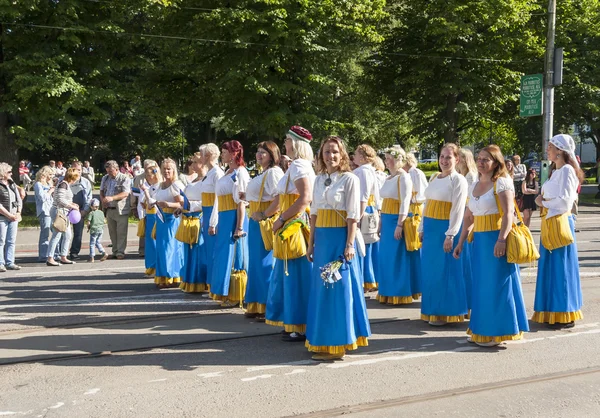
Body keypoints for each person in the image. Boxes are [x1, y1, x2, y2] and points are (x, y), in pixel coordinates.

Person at [453, 145, 529, 347]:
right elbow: (469, 216)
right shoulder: (475, 183)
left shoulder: (502, 183)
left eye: (486, 159)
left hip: (496, 239)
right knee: (481, 286)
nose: (480, 162)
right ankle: (482, 330)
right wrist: (460, 242)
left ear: (496, 163)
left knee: (496, 285)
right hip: (479, 241)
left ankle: (497, 331)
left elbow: (508, 215)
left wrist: (501, 240)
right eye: (479, 158)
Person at [305, 136, 371, 361]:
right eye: (326, 152)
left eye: (334, 152)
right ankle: (322, 339)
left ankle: (338, 342)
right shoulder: (318, 179)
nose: (330, 156)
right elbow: (313, 213)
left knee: (336, 287)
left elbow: (353, 216)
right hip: (322, 240)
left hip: (338, 240)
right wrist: (311, 242)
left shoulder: (349, 179)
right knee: (322, 289)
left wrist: (349, 244)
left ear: (342, 154)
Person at [266, 126, 315, 342]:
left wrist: (282, 219)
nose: (284, 143)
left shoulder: (299, 166)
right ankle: (293, 321)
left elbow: (305, 198)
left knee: (295, 274)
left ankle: (299, 323)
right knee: (289, 273)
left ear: (295, 143)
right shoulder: (296, 166)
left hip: (293, 225)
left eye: (287, 140)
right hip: (291, 222)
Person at [533, 134, 585, 329]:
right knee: (552, 268)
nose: (547, 150)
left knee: (560, 268)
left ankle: (563, 313)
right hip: (550, 221)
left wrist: (542, 202)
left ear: (560, 150)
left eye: (550, 147)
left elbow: (565, 202)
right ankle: (551, 311)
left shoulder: (566, 171)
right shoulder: (557, 171)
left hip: (559, 222)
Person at [419, 143, 468, 326]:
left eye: (449, 157)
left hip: (444, 229)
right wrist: (422, 227)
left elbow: (457, 209)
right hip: (431, 228)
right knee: (430, 271)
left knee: (444, 270)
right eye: (442, 156)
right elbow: (427, 204)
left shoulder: (458, 180)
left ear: (456, 159)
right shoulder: (433, 177)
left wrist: (451, 234)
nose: (444, 161)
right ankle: (432, 310)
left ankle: (446, 312)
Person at [376, 145, 421, 305]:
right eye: (386, 159)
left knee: (397, 258)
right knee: (387, 258)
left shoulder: (404, 177)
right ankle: (387, 291)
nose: (387, 162)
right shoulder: (389, 177)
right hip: (387, 220)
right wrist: (381, 221)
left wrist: (400, 225)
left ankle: (399, 293)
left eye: (390, 159)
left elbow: (405, 201)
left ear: (399, 160)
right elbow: (383, 201)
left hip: (396, 220)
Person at [245, 141, 284, 319]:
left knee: (264, 264)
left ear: (272, 155)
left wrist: (265, 214)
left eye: (264, 152)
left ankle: (268, 305)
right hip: (256, 220)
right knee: (255, 264)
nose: (259, 155)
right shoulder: (264, 172)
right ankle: (256, 304)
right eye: (258, 152)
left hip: (264, 222)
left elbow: (279, 199)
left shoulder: (274, 172)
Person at [210, 140, 250, 306]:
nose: (222, 154)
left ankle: (236, 295)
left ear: (234, 154)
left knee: (235, 257)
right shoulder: (228, 172)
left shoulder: (240, 172)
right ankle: (225, 292)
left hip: (234, 217)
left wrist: (239, 226)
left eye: (225, 151)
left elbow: (241, 201)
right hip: (224, 216)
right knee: (223, 256)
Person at [149, 158, 185, 287]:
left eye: (169, 169)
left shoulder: (176, 185)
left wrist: (167, 204)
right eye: (164, 169)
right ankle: (163, 276)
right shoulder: (160, 185)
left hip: (172, 219)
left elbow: (182, 203)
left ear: (174, 170)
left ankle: (173, 275)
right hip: (160, 218)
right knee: (161, 248)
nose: (166, 171)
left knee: (170, 248)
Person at [178, 153, 209, 293]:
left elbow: (206, 202)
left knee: (198, 251)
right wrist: (181, 208)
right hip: (187, 218)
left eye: (196, 162)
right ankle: (190, 280)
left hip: (198, 218)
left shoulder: (206, 180)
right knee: (189, 252)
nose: (193, 165)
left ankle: (200, 281)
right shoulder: (194, 179)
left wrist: (189, 205)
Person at [353, 144, 380, 292]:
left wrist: (358, 216)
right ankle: (371, 278)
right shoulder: (371, 171)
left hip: (364, 209)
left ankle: (365, 279)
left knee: (363, 244)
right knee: (369, 245)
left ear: (363, 157)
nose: (354, 156)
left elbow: (363, 196)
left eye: (356, 154)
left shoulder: (362, 171)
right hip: (371, 208)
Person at [200, 144, 225, 291]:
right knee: (209, 251)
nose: (200, 157)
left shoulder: (217, 173)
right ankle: (210, 284)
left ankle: (214, 285)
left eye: (202, 154)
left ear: (208, 155)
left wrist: (213, 222)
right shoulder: (209, 173)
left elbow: (217, 199)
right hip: (206, 212)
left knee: (213, 251)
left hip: (212, 214)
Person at [46, 168, 80, 267]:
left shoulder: (64, 184)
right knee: (57, 235)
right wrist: (72, 206)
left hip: (64, 212)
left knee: (68, 235)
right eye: (76, 177)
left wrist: (72, 203)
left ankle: (63, 256)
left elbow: (63, 199)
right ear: (72, 177)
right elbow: (60, 200)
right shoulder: (63, 184)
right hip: (59, 212)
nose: (77, 179)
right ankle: (50, 258)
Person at [100, 160, 131, 259]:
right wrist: (103, 200)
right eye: (107, 171)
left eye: (111, 171)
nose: (109, 173)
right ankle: (115, 251)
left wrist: (112, 198)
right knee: (112, 232)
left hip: (121, 209)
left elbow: (126, 193)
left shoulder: (124, 178)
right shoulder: (105, 178)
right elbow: (101, 191)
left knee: (121, 232)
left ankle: (120, 252)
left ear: (117, 169)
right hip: (109, 209)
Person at [138, 160, 162, 276]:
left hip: (156, 215)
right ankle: (151, 267)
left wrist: (145, 191)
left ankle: (156, 267)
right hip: (149, 215)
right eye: (146, 175)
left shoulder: (159, 186)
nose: (147, 177)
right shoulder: (152, 187)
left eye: (149, 175)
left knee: (154, 241)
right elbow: (146, 202)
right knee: (149, 242)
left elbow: (153, 202)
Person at [68, 161, 93, 260]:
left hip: (80, 212)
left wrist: (85, 210)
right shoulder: (64, 180)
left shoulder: (85, 182)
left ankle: (74, 253)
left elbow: (88, 197)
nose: (77, 171)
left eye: (79, 170)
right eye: (74, 169)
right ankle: (61, 253)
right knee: (64, 234)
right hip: (66, 211)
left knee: (78, 233)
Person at [0, 163, 23, 272]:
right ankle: (1, 263)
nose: (11, 174)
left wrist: (18, 212)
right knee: (1, 241)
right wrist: (8, 215)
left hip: (14, 216)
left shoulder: (12, 183)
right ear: (2, 172)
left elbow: (19, 199)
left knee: (11, 240)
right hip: (2, 217)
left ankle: (10, 262)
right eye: (9, 172)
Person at [34, 166, 56, 262]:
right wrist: (50, 191)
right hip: (44, 211)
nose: (51, 177)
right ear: (44, 174)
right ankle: (43, 255)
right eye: (50, 174)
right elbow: (42, 198)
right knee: (45, 234)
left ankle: (54, 254)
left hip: (51, 210)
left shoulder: (49, 183)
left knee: (56, 232)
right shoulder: (38, 184)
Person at [403, 153, 428, 218]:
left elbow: (420, 191)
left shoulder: (415, 173)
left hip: (415, 206)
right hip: (411, 206)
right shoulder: (409, 173)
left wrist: (411, 200)